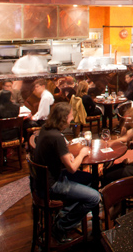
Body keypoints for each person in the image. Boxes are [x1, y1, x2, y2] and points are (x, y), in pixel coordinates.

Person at [33, 103, 100, 243]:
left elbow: (57, 153)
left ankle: (65, 212)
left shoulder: (46, 128)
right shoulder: (57, 137)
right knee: (95, 197)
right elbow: (72, 169)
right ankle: (61, 227)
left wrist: (67, 155)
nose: (72, 118)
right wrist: (82, 154)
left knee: (90, 178)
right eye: (70, 115)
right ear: (63, 118)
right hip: (52, 184)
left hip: (41, 181)